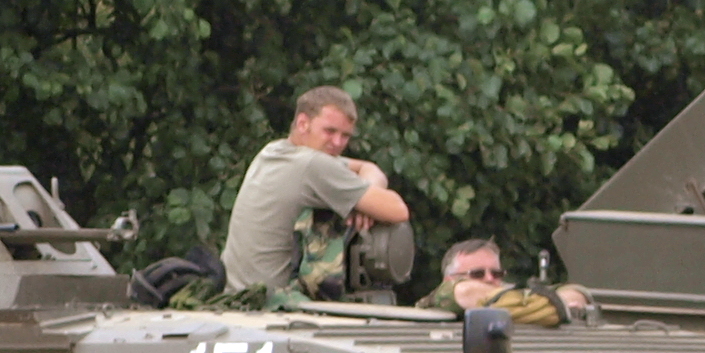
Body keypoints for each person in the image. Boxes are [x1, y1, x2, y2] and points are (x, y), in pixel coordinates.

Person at [220, 85, 413, 302]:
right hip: (271, 305)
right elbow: (398, 210)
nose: (338, 143)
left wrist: (364, 197)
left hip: (235, 298)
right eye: (329, 131)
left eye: (345, 136)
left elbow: (368, 168)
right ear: (303, 123)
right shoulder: (312, 165)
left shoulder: (274, 151)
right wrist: (365, 201)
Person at [421, 237, 591, 326]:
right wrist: (555, 307)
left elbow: (576, 293)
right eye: (477, 274)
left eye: (496, 273)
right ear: (450, 278)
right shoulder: (445, 294)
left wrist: (537, 303)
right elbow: (466, 293)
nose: (489, 279)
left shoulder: (511, 297)